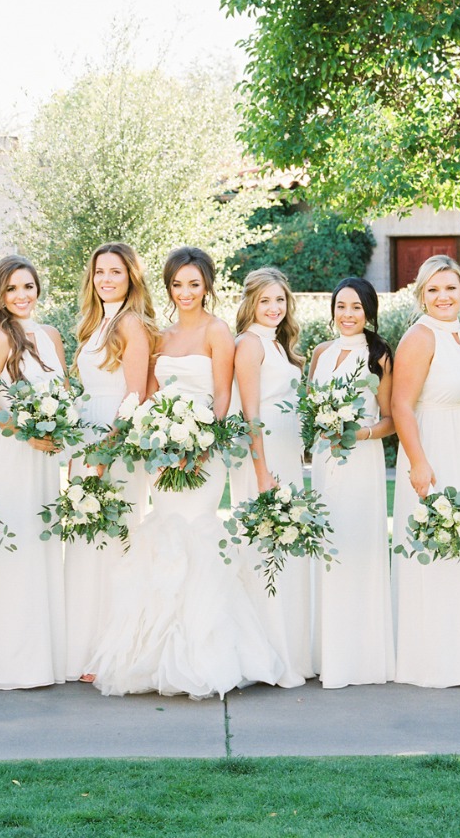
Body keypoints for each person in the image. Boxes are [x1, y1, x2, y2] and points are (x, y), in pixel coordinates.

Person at [89, 246, 283, 697]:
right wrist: (162, 438)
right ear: (168, 286)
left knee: (197, 532)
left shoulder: (219, 333)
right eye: (178, 284)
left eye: (194, 284)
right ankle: (156, 657)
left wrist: (199, 445)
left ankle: (206, 655)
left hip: (205, 453)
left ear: (207, 286)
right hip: (162, 452)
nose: (186, 292)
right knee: (163, 534)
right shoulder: (160, 335)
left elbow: (221, 395)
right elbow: (151, 393)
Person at [390, 255, 460, 688]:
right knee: (436, 549)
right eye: (434, 290)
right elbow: (401, 405)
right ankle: (432, 661)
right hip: (433, 452)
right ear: (421, 294)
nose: (443, 297)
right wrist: (419, 462)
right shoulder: (419, 338)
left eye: (450, 288)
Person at [0, 256, 70, 690]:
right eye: (12, 289)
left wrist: (60, 428)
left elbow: (65, 394)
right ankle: (14, 663)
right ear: (0, 295)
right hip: (13, 457)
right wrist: (25, 431)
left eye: (28, 286)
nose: (22, 295)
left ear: (38, 289)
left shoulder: (51, 336)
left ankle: (47, 660)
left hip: (47, 461)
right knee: (15, 553)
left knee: (44, 549)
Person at [65, 242, 158, 682]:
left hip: (116, 444)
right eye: (100, 272)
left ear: (130, 278)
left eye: (115, 272)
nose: (106, 279)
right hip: (87, 438)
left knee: (116, 543)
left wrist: (106, 453)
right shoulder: (93, 324)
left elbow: (134, 396)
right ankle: (84, 647)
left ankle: (112, 652)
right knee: (86, 545)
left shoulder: (131, 325)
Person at [309, 276, 396, 687]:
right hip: (324, 463)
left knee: (358, 549)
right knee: (326, 547)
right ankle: (325, 653)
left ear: (369, 312)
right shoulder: (321, 353)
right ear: (332, 310)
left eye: (357, 307)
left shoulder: (378, 356)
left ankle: (361, 658)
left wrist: (356, 433)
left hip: (361, 462)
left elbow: (390, 420)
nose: (348, 315)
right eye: (341, 306)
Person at [231, 266, 313, 687]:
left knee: (287, 549)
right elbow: (250, 415)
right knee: (265, 550)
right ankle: (270, 656)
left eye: (280, 299)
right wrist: (263, 473)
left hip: (287, 459)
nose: (274, 307)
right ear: (250, 303)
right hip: (263, 463)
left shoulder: (280, 345)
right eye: (265, 300)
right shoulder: (248, 345)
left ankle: (292, 650)